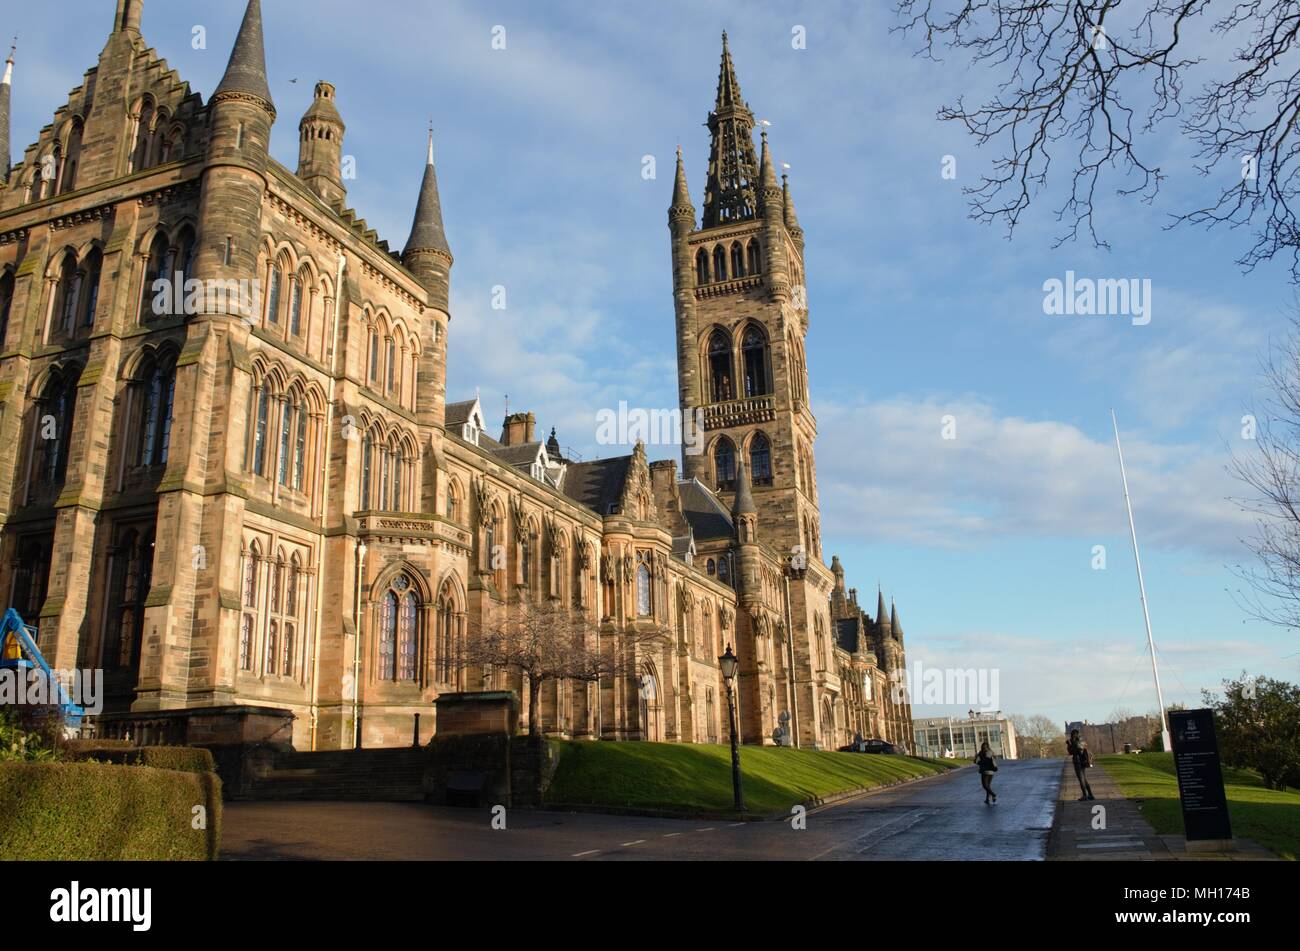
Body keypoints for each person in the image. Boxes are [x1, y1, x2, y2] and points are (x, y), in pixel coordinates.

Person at [1066, 729, 1095, 800]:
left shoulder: (1075, 742)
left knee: (1081, 779)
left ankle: (1085, 795)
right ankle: (1090, 795)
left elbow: (1071, 752)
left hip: (1077, 762)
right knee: (1084, 779)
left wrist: (1069, 744)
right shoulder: (1082, 741)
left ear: (1073, 735)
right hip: (1083, 761)